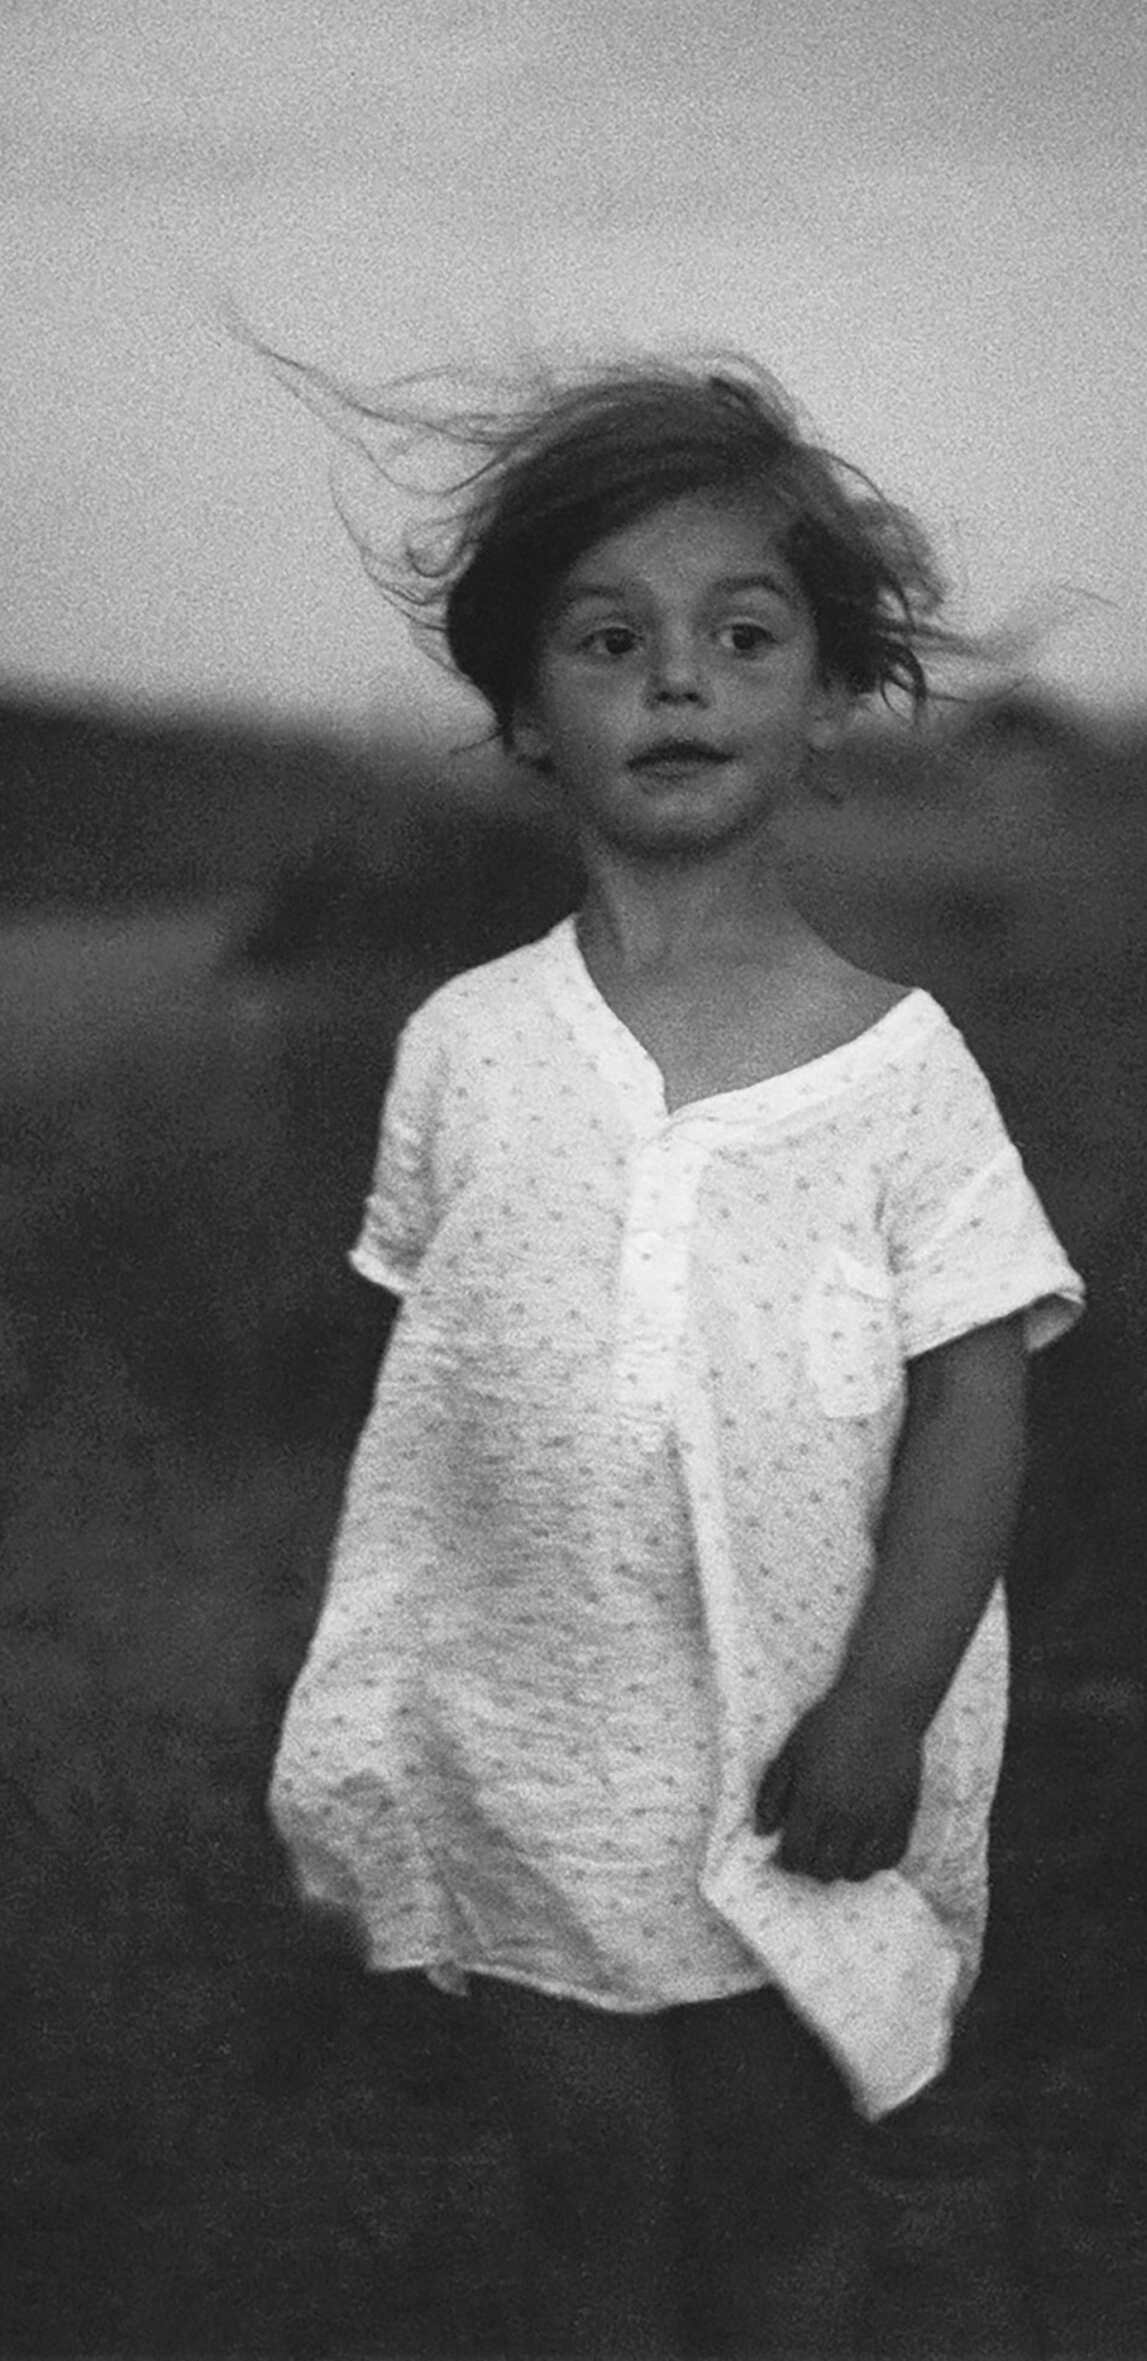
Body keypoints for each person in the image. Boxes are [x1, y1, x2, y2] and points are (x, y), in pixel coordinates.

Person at [268, 353, 1084, 2357]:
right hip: (539, 1743)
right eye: (610, 637)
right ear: (527, 710)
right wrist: (393, 1698)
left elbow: (981, 1390)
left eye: (741, 632)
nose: (680, 679)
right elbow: (425, 1393)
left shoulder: (899, 1069)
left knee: (777, 2178)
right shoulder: (461, 1042)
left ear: (821, 698)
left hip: (807, 1741)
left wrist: (884, 1707)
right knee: (585, 2186)